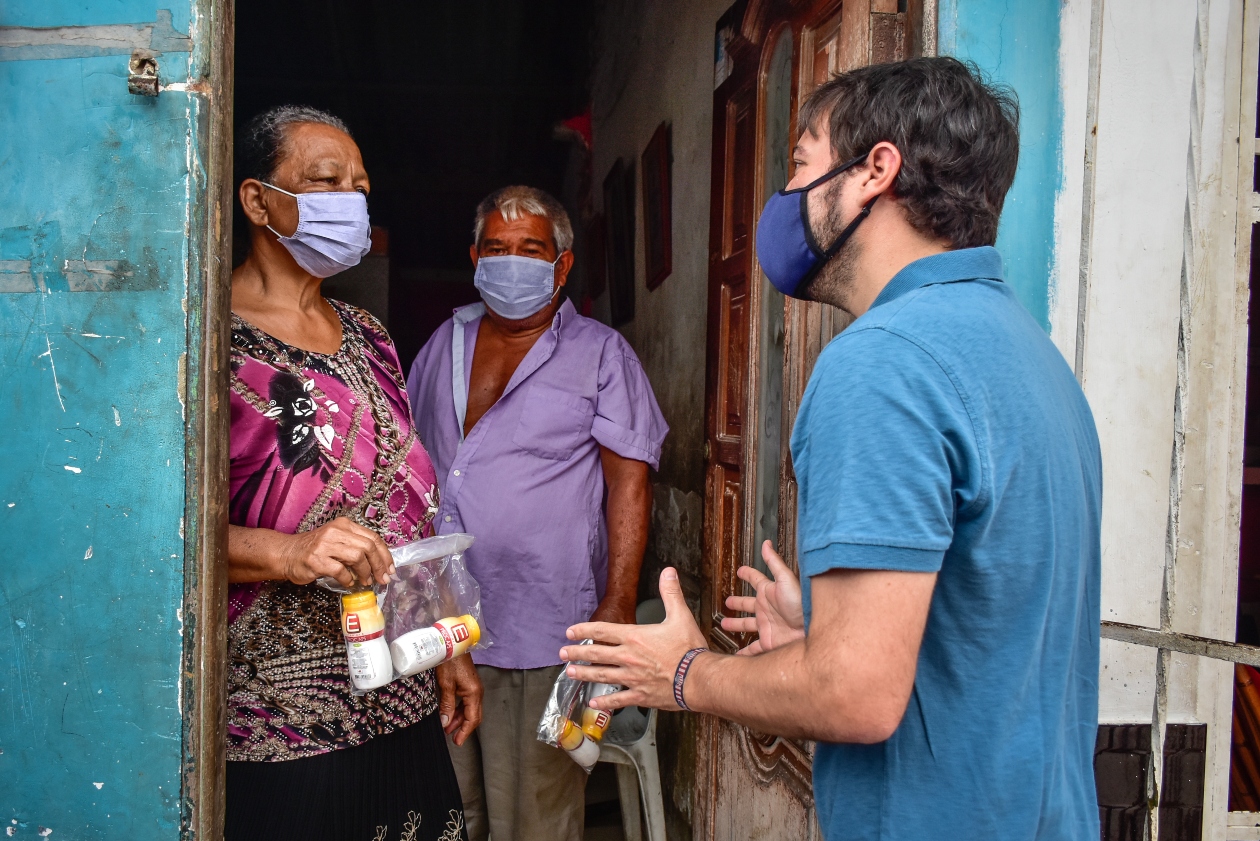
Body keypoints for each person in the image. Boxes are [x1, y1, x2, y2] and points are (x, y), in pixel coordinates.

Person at [561, 57, 1103, 841]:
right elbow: (983, 627)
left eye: (800, 164)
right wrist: (822, 634)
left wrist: (682, 672)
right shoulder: (1031, 354)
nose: (783, 199)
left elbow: (855, 695)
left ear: (875, 169)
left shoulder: (884, 361)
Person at [226, 105, 480, 841]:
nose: (349, 201)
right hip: (284, 721)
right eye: (325, 181)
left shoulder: (369, 335)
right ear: (257, 199)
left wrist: (445, 644)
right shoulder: (208, 334)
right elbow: (157, 528)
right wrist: (292, 552)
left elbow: (408, 506)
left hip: (398, 693)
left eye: (359, 186)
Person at [407, 186, 668, 841]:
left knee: (537, 817)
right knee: (445, 807)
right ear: (474, 256)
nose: (511, 261)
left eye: (530, 249)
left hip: (546, 626)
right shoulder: (446, 341)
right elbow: (404, 458)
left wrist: (617, 603)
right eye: (497, 248)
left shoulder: (602, 354)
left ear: (563, 263)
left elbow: (629, 484)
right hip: (439, 621)